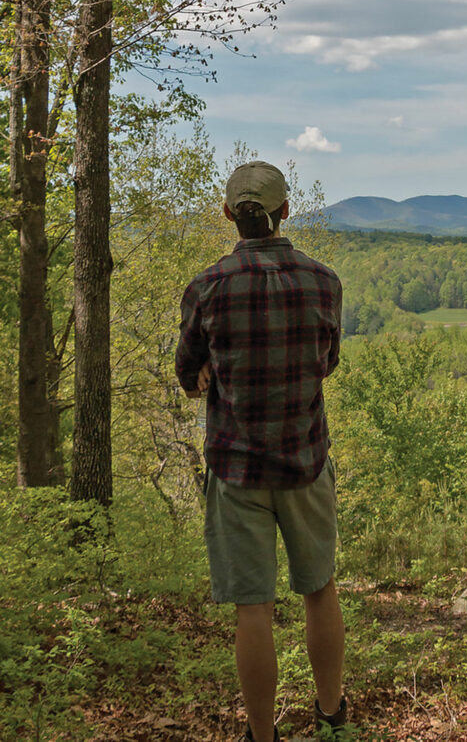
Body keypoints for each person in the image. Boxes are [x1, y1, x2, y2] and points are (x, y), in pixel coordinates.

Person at [175, 161, 347, 742]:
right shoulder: (324, 282)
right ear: (286, 211)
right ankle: (331, 714)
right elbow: (326, 364)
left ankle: (261, 735)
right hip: (305, 461)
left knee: (254, 607)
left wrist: (208, 377)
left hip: (235, 466)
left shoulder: (206, 287)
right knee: (319, 588)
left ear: (229, 215)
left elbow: (187, 371)